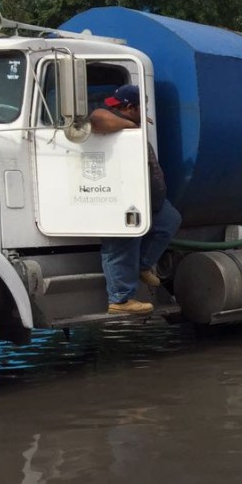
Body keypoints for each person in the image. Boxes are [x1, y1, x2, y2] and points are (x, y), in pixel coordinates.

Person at [89, 84, 182, 314]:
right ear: (130, 107)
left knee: (169, 221)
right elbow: (96, 119)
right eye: (143, 107)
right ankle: (120, 300)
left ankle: (141, 266)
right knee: (122, 243)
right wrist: (131, 125)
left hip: (149, 199)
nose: (146, 112)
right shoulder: (109, 118)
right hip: (121, 197)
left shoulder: (125, 119)